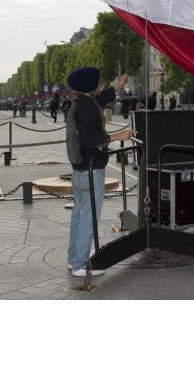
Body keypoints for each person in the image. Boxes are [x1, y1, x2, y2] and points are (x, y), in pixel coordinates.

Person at [67, 67, 134, 277]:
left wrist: (116, 87)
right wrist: (118, 136)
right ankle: (80, 264)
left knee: (79, 214)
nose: (100, 85)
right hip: (91, 168)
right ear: (91, 85)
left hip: (80, 170)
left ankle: (73, 258)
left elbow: (101, 100)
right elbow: (89, 140)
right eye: (98, 82)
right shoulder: (86, 108)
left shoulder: (83, 102)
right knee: (89, 216)